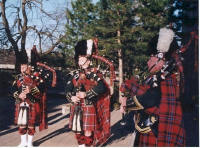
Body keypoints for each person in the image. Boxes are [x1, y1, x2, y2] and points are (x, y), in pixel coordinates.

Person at [120, 27, 186, 146]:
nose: (148, 62)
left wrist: (127, 102)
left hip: (157, 135)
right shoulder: (158, 77)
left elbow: (149, 98)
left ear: (160, 59)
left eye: (151, 57)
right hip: (148, 129)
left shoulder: (168, 80)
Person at [65, 39, 111, 147]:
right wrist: (71, 97)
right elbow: (67, 88)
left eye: (82, 57)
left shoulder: (94, 74)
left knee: (88, 131)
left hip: (88, 105)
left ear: (89, 60)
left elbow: (102, 87)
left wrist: (86, 94)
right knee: (77, 129)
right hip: (76, 105)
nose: (80, 59)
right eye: (79, 57)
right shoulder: (75, 74)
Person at [12, 47, 56, 147]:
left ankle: (29, 142)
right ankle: (23, 142)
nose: (22, 67)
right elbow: (13, 89)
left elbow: (42, 88)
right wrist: (18, 94)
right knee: (22, 123)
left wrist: (30, 90)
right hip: (21, 102)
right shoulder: (18, 77)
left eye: (24, 65)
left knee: (31, 123)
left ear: (29, 66)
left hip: (32, 103)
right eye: (21, 65)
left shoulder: (37, 76)